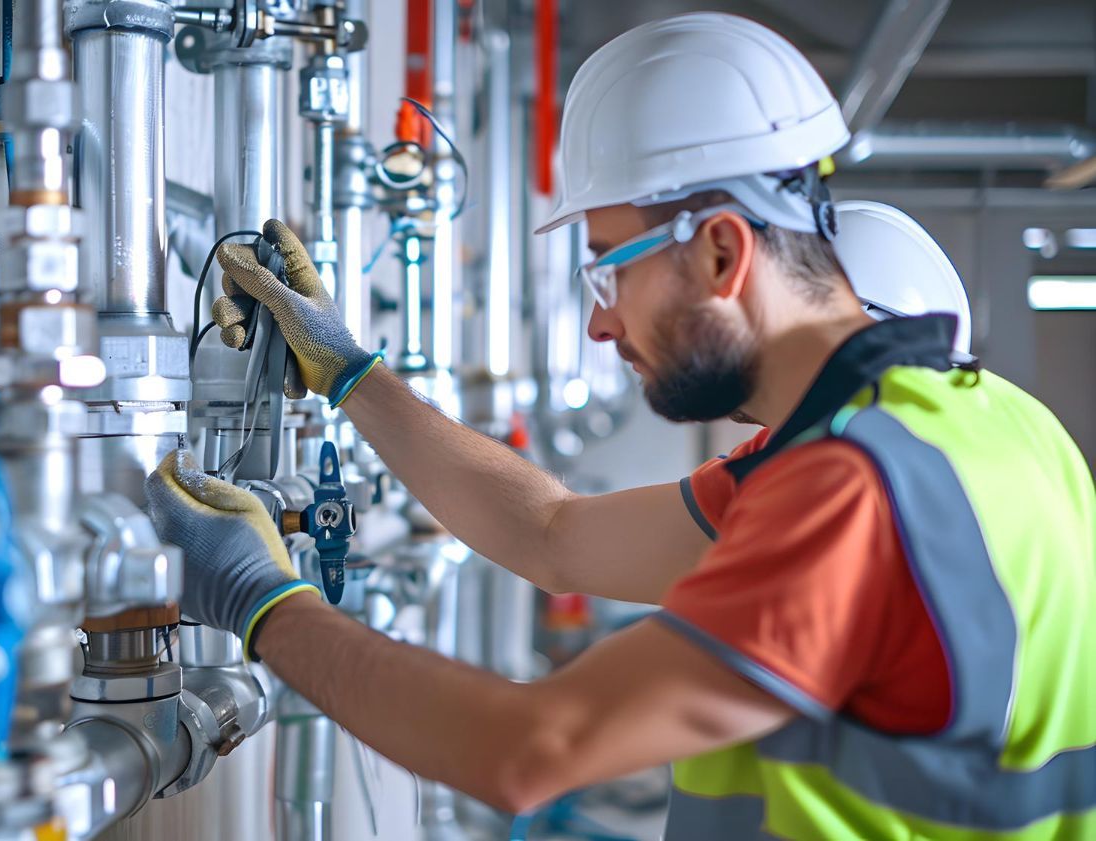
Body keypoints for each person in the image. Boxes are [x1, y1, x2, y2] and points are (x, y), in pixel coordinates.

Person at [146, 12, 1096, 839]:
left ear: (721, 250)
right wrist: (351, 372)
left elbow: (532, 749)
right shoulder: (986, 431)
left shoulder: (857, 490)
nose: (599, 320)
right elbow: (554, 535)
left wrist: (260, 602)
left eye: (609, 266)